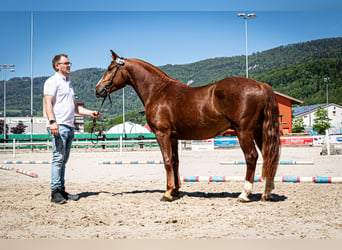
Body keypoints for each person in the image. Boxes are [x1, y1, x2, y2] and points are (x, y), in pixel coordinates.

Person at [44, 54, 99, 204]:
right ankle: (55, 192)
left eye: (69, 63)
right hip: (59, 125)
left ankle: (61, 189)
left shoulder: (69, 84)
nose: (69, 65)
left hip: (69, 125)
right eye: (66, 63)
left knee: (64, 160)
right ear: (57, 66)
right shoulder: (52, 82)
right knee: (58, 158)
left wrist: (90, 113)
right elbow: (48, 103)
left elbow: (75, 108)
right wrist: (52, 121)